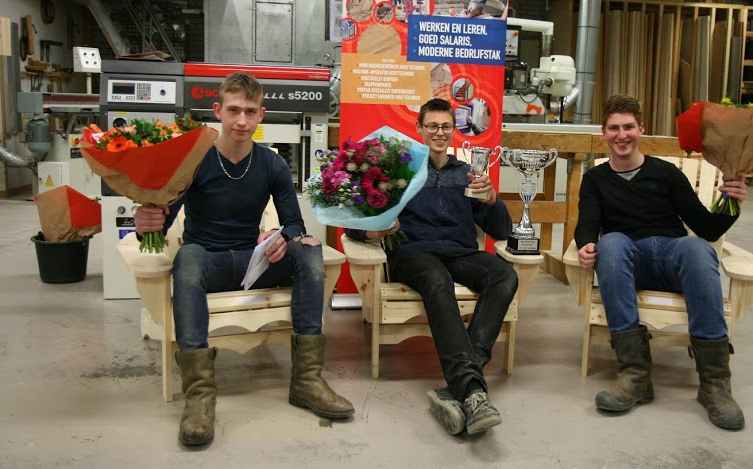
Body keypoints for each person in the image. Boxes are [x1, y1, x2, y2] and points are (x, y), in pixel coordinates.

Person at [134, 72, 354, 448]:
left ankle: (307, 380)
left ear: (261, 115)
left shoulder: (272, 164)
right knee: (188, 256)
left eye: (250, 112)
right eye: (234, 110)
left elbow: (295, 224)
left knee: (309, 248)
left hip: (256, 265)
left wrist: (282, 236)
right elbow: (160, 222)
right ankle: (200, 398)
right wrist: (144, 223)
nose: (241, 120)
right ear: (217, 110)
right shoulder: (195, 162)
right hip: (210, 266)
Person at [574, 94, 748, 430]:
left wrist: (733, 203)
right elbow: (587, 223)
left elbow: (707, 228)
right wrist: (585, 246)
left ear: (641, 128)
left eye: (628, 127)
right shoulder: (596, 179)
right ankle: (635, 375)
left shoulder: (666, 173)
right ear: (604, 133)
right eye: (614, 128)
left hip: (673, 259)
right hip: (629, 263)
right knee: (611, 243)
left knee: (697, 248)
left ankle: (715, 384)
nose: (622, 135)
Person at [345, 98, 517, 437]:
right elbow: (354, 222)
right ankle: (472, 389)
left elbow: (501, 230)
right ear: (419, 128)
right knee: (437, 279)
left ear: (455, 130)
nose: (440, 132)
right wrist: (372, 232)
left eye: (446, 126)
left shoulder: (467, 174)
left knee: (504, 274)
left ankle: (463, 384)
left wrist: (492, 199)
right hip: (413, 255)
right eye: (433, 126)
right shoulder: (400, 171)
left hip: (461, 253)